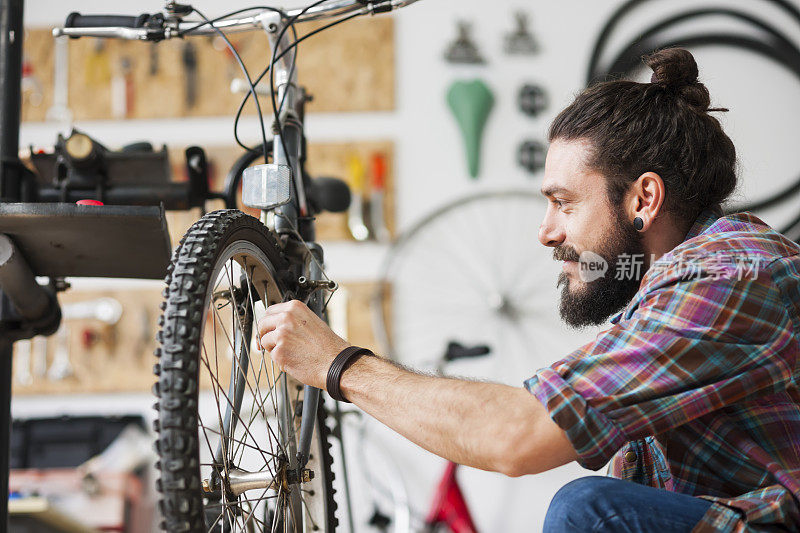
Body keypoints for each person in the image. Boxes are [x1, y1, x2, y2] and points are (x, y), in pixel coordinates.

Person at [256, 48, 800, 532]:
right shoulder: (668, 287)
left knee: (588, 509)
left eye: (563, 202)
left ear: (643, 199)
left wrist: (339, 363)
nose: (546, 232)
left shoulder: (728, 280)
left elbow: (518, 435)